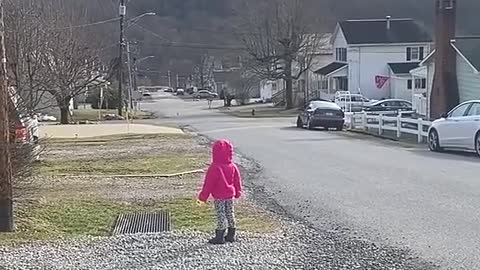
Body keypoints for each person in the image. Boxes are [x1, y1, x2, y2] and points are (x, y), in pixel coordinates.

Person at [198, 139, 242, 244]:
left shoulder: (215, 167)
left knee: (221, 214)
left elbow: (208, 184)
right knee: (230, 213)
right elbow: (237, 180)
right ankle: (231, 234)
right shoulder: (233, 166)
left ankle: (220, 236)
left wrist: (203, 197)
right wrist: (238, 192)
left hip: (219, 196)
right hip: (230, 195)